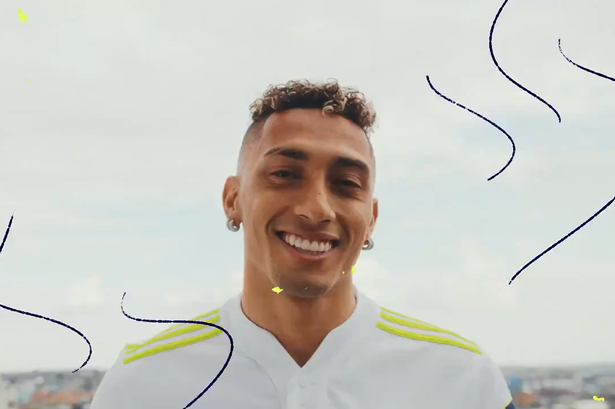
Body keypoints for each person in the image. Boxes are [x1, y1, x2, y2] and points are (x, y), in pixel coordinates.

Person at [90, 79, 516, 409]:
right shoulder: (141, 385)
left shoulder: (463, 382)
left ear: (371, 219)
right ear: (233, 199)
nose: (317, 209)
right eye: (285, 174)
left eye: (346, 183)